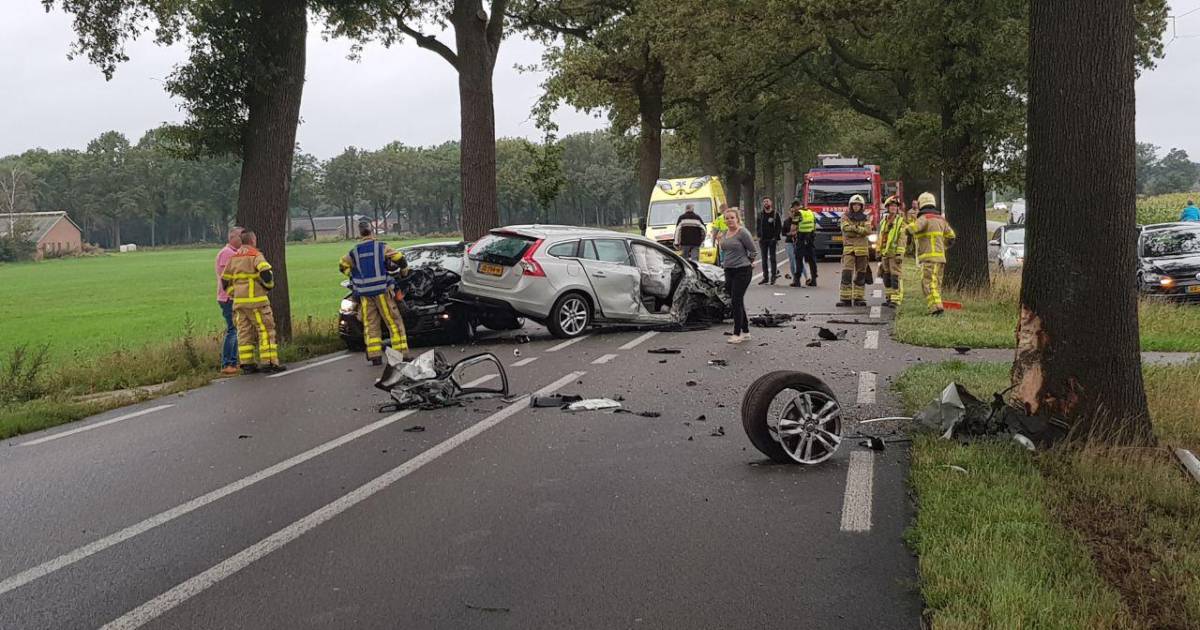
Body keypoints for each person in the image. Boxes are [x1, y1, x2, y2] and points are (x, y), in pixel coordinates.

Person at [339, 221, 410, 366]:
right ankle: (401, 354)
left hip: (364, 294)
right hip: (382, 292)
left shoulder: (354, 252)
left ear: (360, 234)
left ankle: (374, 355)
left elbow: (342, 266)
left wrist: (354, 276)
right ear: (372, 232)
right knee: (393, 322)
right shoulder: (381, 247)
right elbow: (400, 259)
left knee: (371, 324)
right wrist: (404, 271)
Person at [221, 229, 286, 373]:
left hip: (239, 303)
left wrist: (234, 293)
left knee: (244, 333)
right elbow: (266, 273)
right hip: (257, 302)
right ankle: (269, 362)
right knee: (266, 331)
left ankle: (247, 364)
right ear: (253, 240)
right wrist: (267, 287)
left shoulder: (233, 258)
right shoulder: (255, 255)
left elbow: (224, 281)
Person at [908, 192, 957, 315]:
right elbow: (951, 236)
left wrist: (902, 228)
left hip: (929, 258)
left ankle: (936, 309)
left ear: (921, 204)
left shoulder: (924, 218)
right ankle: (936, 306)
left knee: (928, 283)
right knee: (936, 284)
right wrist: (944, 247)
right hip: (941, 258)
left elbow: (911, 229)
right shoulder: (941, 219)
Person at [719, 207, 757, 343]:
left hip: (742, 270)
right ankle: (746, 331)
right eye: (727, 218)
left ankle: (737, 333)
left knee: (736, 300)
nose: (729, 220)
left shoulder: (742, 233)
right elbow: (723, 251)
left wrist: (750, 262)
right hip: (728, 270)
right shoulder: (724, 233)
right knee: (737, 301)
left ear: (737, 219)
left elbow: (753, 250)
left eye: (732, 218)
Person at [215, 227, 243, 376]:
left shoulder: (233, 253)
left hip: (232, 296)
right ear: (233, 238)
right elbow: (228, 277)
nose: (242, 240)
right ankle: (227, 363)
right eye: (240, 237)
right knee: (233, 329)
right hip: (228, 298)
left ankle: (232, 361)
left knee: (235, 329)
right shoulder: (227, 254)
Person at [837, 195, 872, 307]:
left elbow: (867, 230)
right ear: (851, 206)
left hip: (862, 250)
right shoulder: (845, 217)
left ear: (861, 206)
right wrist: (858, 230)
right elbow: (846, 230)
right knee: (846, 273)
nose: (856, 207)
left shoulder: (866, 218)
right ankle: (845, 298)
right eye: (854, 205)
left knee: (861, 275)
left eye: (858, 205)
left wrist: (854, 228)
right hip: (849, 249)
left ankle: (859, 298)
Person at [877, 197, 910, 308]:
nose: (893, 208)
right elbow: (880, 237)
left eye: (895, 206)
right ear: (887, 208)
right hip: (885, 254)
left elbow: (902, 238)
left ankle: (896, 300)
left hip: (895, 254)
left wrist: (900, 253)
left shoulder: (901, 222)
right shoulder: (883, 221)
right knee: (886, 276)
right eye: (891, 206)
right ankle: (889, 298)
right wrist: (878, 251)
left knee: (895, 276)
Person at [756, 196, 782, 284]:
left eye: (767, 201)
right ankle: (765, 277)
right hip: (763, 240)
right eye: (764, 202)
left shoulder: (775, 214)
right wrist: (759, 235)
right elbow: (758, 226)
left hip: (772, 240)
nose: (765, 203)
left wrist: (775, 237)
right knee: (764, 259)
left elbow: (779, 227)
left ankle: (773, 276)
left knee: (773, 258)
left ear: (771, 203)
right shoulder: (760, 214)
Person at [795, 202, 818, 286]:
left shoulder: (798, 213)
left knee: (799, 259)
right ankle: (814, 279)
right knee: (812, 260)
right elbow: (814, 225)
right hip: (810, 238)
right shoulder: (810, 212)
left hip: (801, 238)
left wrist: (793, 232)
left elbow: (793, 227)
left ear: (797, 207)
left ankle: (797, 280)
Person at [781, 202, 804, 286]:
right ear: (789, 212)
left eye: (794, 212)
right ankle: (795, 279)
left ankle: (806, 277)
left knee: (800, 260)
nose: (792, 213)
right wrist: (789, 234)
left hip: (798, 242)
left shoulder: (799, 220)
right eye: (791, 212)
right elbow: (783, 232)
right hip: (789, 242)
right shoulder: (786, 221)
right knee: (792, 260)